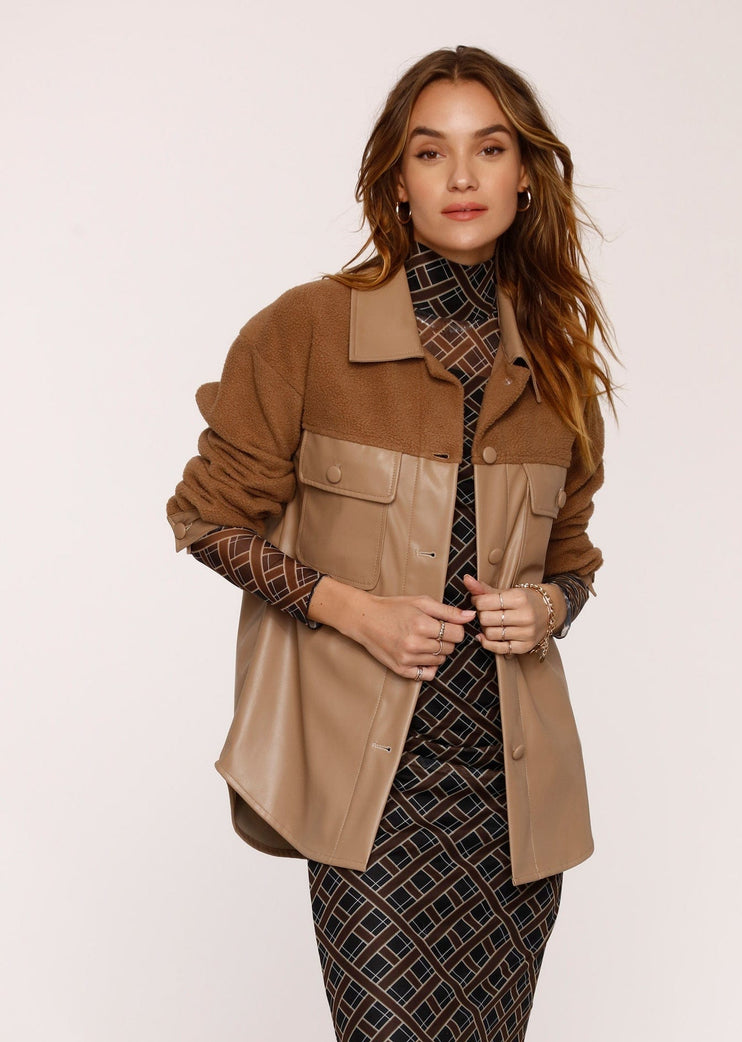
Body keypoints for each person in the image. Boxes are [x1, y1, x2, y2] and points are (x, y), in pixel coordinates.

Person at [167, 44, 616, 1042]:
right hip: (373, 793)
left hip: (509, 802)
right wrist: (354, 611)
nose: (461, 176)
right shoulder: (306, 330)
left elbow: (572, 559)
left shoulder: (556, 364)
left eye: (488, 148)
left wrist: (543, 607)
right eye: (430, 151)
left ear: (524, 174)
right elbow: (205, 516)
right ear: (396, 180)